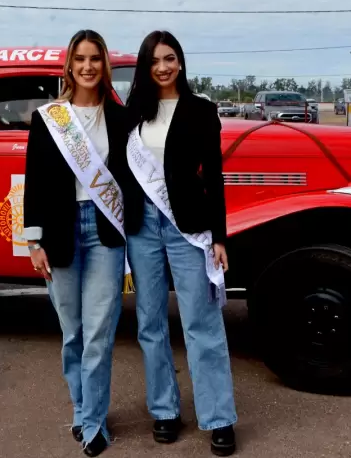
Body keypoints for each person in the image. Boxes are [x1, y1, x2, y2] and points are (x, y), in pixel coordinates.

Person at [124, 30, 238, 457]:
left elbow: (214, 177)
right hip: (141, 227)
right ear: (145, 66)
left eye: (170, 58)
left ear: (181, 62)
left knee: (202, 322)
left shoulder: (202, 111)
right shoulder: (132, 112)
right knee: (150, 323)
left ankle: (219, 418)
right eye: (155, 60)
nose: (163, 67)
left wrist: (220, 235)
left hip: (187, 226)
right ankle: (165, 410)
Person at [23, 29, 136, 456]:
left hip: (105, 232)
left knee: (99, 333)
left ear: (104, 65)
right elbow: (34, 183)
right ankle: (81, 407)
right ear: (69, 65)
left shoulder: (122, 118)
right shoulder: (49, 117)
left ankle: (93, 423)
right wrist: (34, 241)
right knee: (72, 332)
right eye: (81, 59)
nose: (88, 66)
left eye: (96, 58)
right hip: (60, 232)